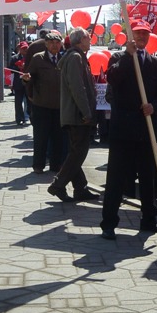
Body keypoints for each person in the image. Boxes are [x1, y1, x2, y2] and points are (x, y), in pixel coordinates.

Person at [100, 21, 157, 239]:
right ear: (130, 35)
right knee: (116, 178)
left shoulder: (154, 63)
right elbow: (113, 79)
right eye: (138, 33)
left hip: (146, 129)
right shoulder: (119, 58)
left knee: (148, 179)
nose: (141, 37)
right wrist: (129, 57)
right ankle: (109, 223)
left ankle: (149, 221)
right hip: (123, 130)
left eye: (145, 33)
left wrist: (154, 106)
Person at [49, 28, 100, 203]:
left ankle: (81, 188)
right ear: (80, 40)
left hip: (76, 113)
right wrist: (87, 112)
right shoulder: (75, 58)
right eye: (87, 37)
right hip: (77, 114)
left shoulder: (76, 57)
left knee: (76, 152)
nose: (90, 39)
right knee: (78, 153)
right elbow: (78, 88)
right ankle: (58, 184)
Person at [22, 31, 67, 175]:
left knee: (58, 138)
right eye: (51, 43)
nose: (55, 46)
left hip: (60, 106)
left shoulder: (65, 58)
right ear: (46, 44)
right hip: (42, 105)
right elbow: (29, 78)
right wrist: (27, 81)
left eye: (57, 43)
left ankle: (56, 165)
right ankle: (38, 165)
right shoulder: (38, 58)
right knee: (41, 137)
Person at [10, 41, 29, 125]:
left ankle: (28, 117)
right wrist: (18, 67)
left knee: (29, 102)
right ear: (19, 49)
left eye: (26, 48)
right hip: (18, 83)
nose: (25, 50)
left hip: (28, 83)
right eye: (23, 49)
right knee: (18, 102)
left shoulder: (31, 57)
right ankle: (19, 118)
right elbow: (10, 69)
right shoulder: (14, 58)